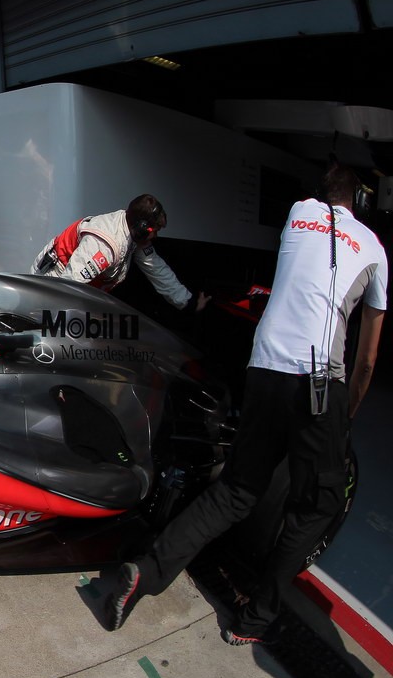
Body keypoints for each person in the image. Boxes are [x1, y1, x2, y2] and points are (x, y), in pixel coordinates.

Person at [104, 164, 387, 645]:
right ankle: (254, 619)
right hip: (320, 386)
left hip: (265, 370)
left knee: (236, 490)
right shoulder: (375, 250)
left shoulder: (298, 214)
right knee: (317, 505)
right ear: (360, 203)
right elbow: (366, 359)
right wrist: (345, 415)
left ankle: (147, 572)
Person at [30, 194, 209, 312]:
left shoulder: (132, 233)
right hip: (52, 283)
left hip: (74, 290)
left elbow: (157, 268)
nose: (155, 236)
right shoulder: (104, 246)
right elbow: (66, 287)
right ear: (141, 228)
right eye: (155, 230)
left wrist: (188, 302)